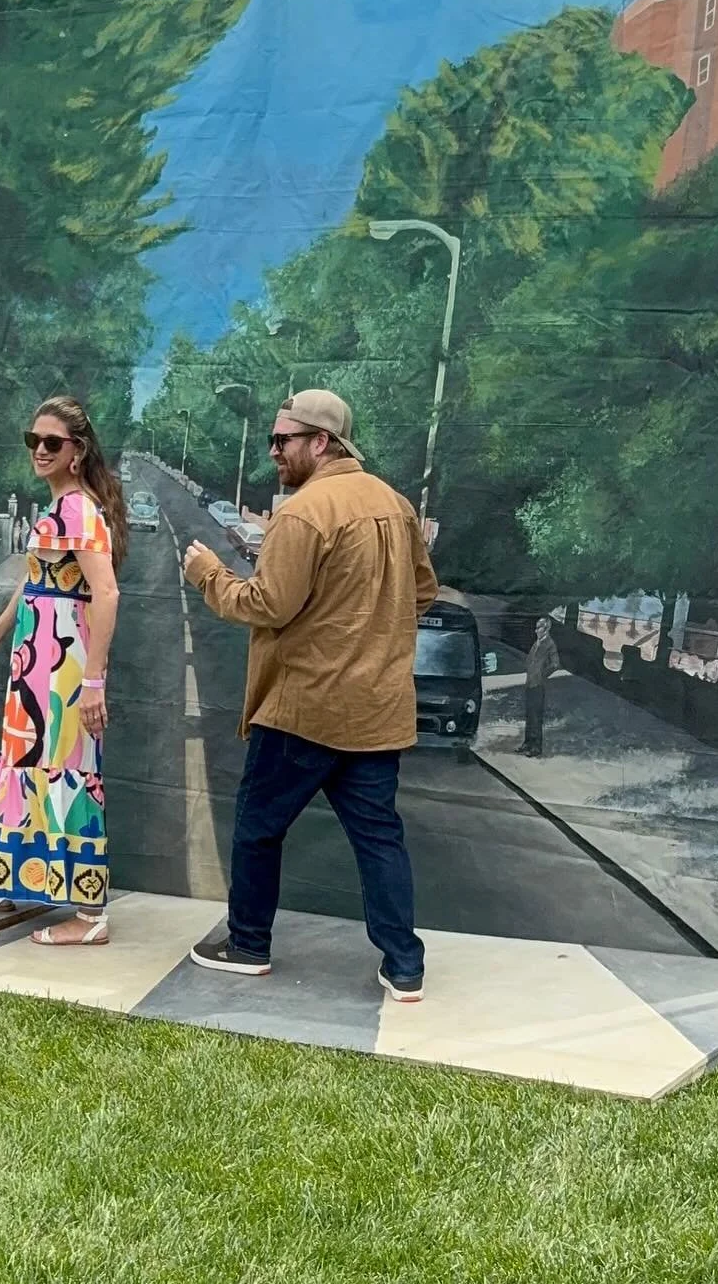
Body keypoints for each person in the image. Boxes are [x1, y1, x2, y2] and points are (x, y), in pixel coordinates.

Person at [182, 389, 437, 1002]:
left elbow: (267, 603)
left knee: (258, 829)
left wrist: (208, 575)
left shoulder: (303, 513)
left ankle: (247, 943)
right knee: (379, 837)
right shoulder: (396, 505)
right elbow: (423, 592)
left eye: (283, 440)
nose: (275, 451)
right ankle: (404, 966)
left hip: (303, 709)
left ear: (321, 442)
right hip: (376, 711)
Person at [0, 397, 127, 945]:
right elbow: (36, 581)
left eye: (53, 442)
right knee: (22, 768)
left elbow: (108, 592)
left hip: (65, 666)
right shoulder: (57, 511)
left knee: (68, 774)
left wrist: (93, 680)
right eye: (34, 441)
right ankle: (7, 883)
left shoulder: (79, 510)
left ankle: (90, 915)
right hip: (35, 661)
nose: (40, 450)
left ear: (78, 452)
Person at [522, 617, 561, 757]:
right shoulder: (536, 643)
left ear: (547, 629)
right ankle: (527, 743)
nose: (536, 630)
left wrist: (542, 674)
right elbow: (530, 660)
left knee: (536, 717)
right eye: (536, 627)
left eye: (539, 627)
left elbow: (555, 664)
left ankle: (536, 747)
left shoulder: (549, 644)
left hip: (538, 685)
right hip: (530, 683)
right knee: (529, 715)